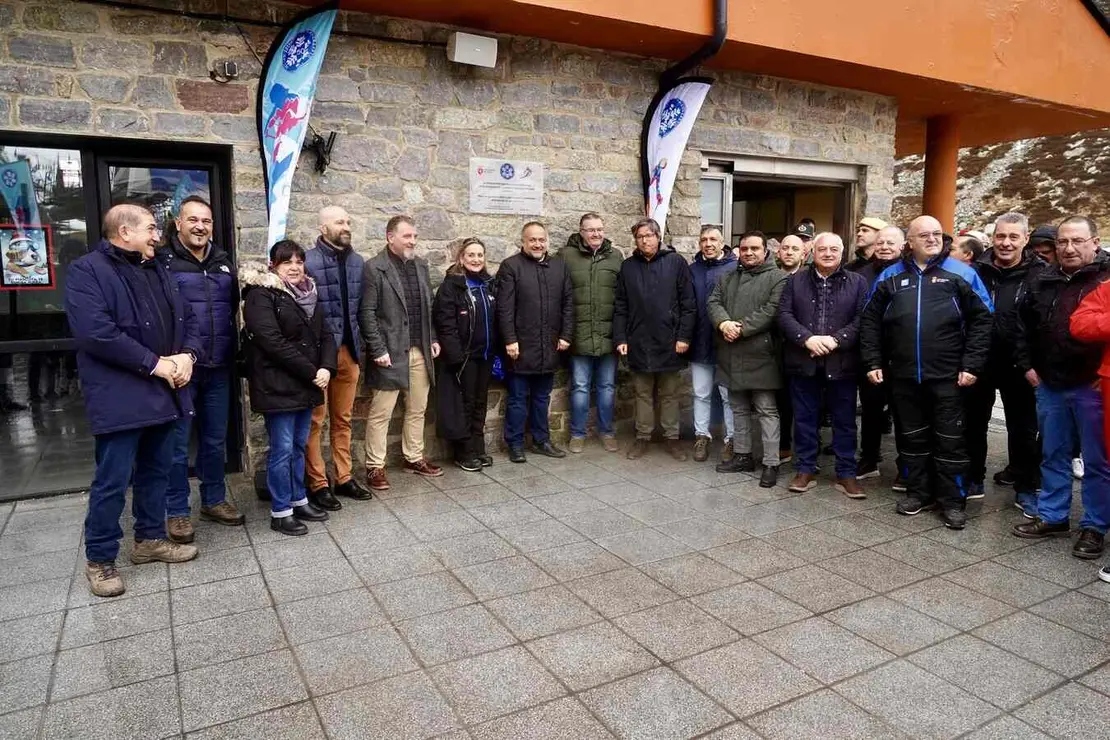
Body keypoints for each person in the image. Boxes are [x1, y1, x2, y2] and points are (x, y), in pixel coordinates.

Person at [65, 204, 200, 597]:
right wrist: (155, 364)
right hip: (120, 396)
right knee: (112, 480)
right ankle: (101, 560)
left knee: (156, 471)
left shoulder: (158, 268)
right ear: (125, 232)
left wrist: (187, 357)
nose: (157, 235)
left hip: (165, 389)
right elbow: (96, 333)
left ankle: (148, 540)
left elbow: (188, 319)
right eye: (152, 228)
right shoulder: (88, 271)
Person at [860, 215, 993, 530]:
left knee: (950, 441)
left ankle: (952, 501)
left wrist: (971, 365)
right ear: (910, 241)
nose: (933, 239)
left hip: (949, 375)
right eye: (924, 235)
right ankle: (917, 492)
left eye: (937, 234)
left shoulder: (962, 273)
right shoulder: (890, 276)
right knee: (912, 438)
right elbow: (869, 322)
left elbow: (983, 321)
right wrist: (873, 361)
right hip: (904, 375)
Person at [1016, 215, 1110, 559]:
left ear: (1095, 243)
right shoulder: (1043, 279)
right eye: (1063, 242)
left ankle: (1095, 525)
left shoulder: (1106, 280)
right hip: (1050, 383)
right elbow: (1022, 325)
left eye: (1077, 241)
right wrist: (1026, 365)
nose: (1069, 248)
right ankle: (1053, 516)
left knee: (1098, 461)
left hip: (1094, 387)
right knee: (1053, 454)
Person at [161, 196, 244, 545]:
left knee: (214, 440)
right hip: (182, 369)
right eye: (192, 220)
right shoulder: (163, 262)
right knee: (177, 445)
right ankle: (177, 512)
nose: (200, 227)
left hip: (219, 367)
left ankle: (213, 500)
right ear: (178, 223)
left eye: (206, 221)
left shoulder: (224, 262)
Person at [241, 242, 335, 537]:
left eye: (298, 261)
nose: (295, 267)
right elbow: (272, 342)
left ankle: (299, 499)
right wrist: (312, 371)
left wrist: (327, 368)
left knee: (298, 446)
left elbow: (327, 334)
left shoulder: (308, 294)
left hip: (305, 385)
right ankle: (281, 511)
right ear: (273, 266)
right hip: (278, 385)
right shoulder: (260, 296)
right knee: (282, 449)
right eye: (286, 262)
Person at [965, 213, 1044, 512]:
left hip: (1021, 365)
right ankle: (972, 478)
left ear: (1025, 239)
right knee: (973, 425)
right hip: (980, 361)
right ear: (992, 237)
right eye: (1001, 236)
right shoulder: (976, 271)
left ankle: (1026, 486)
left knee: (1023, 429)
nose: (1006, 243)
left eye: (1013, 237)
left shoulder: (1041, 274)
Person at [778, 233, 868, 498]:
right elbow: (784, 315)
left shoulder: (858, 282)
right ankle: (805, 469)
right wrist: (806, 339)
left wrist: (836, 340)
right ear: (812, 252)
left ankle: (846, 474)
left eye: (833, 249)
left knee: (845, 421)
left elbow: (862, 318)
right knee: (805, 420)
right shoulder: (795, 282)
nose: (828, 253)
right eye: (822, 249)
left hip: (842, 363)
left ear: (842, 252)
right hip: (803, 362)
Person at [360, 215, 442, 489]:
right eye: (407, 236)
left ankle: (413, 457)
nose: (413, 241)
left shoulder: (420, 265)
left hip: (420, 350)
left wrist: (433, 338)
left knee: (417, 408)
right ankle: (374, 467)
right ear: (389, 237)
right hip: (390, 353)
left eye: (415, 236)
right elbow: (367, 313)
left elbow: (427, 307)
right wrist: (377, 349)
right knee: (381, 412)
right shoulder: (374, 268)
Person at [709, 231, 788, 487]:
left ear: (766, 251)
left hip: (761, 353)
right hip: (731, 352)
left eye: (755, 248)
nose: (749, 253)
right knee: (739, 408)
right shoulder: (727, 277)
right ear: (738, 252)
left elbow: (772, 310)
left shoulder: (779, 278)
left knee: (767, 410)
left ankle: (771, 462)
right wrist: (723, 323)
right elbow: (713, 303)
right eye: (744, 249)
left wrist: (739, 328)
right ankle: (743, 455)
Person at [304, 206, 370, 509]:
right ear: (322, 228)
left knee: (343, 419)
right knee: (316, 421)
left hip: (350, 352)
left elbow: (362, 310)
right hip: (320, 358)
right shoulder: (307, 261)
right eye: (339, 221)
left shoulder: (358, 262)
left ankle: (344, 477)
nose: (346, 225)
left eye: (348, 220)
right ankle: (318, 482)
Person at [615, 218, 696, 461]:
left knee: (670, 393)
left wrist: (684, 336)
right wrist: (620, 336)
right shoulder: (628, 267)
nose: (644, 240)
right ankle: (643, 437)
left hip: (670, 341)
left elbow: (688, 305)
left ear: (658, 236)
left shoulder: (676, 262)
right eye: (640, 236)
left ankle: (672, 438)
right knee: (642, 393)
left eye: (649, 235)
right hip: (638, 340)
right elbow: (621, 305)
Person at [497, 221, 573, 462]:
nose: (538, 244)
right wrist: (510, 339)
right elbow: (504, 308)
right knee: (518, 399)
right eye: (533, 240)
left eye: (541, 239)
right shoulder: (510, 267)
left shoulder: (560, 267)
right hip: (520, 347)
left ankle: (541, 440)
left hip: (550, 346)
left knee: (542, 398)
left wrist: (565, 335)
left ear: (547, 241)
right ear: (523, 242)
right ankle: (516, 444)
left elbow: (568, 304)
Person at [559, 213, 622, 454]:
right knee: (580, 387)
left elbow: (622, 298)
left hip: (608, 335)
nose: (596, 234)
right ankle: (577, 433)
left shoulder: (615, 256)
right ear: (581, 232)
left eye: (599, 229)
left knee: (607, 387)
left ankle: (607, 432)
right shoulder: (566, 256)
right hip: (579, 334)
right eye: (590, 230)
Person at [433, 238, 497, 471]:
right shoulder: (452, 286)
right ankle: (463, 452)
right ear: (461, 258)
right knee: (465, 405)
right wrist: (456, 357)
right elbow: (445, 323)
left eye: (480, 255)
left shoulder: (489, 284)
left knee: (480, 403)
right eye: (471, 255)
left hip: (486, 355)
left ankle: (477, 448)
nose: (476, 259)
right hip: (464, 358)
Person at [855, 225, 905, 482]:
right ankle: (869, 458)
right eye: (881, 242)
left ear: (902, 246)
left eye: (891, 243)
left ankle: (905, 465)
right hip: (871, 353)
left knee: (904, 412)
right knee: (871, 409)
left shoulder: (911, 272)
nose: (885, 247)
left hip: (903, 355)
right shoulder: (862, 275)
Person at [689, 225, 737, 463]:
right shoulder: (692, 270)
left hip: (727, 342)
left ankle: (731, 439)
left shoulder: (735, 268)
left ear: (722, 242)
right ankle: (702, 435)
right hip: (699, 341)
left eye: (713, 239)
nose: (708, 244)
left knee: (728, 395)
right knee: (701, 393)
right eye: (704, 239)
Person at [774, 233, 809, 462]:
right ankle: (783, 443)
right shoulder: (771, 277)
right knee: (781, 401)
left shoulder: (809, 278)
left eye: (794, 249)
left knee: (807, 403)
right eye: (785, 248)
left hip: (804, 347)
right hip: (776, 348)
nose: (788, 252)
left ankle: (808, 451)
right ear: (778, 252)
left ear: (803, 254)